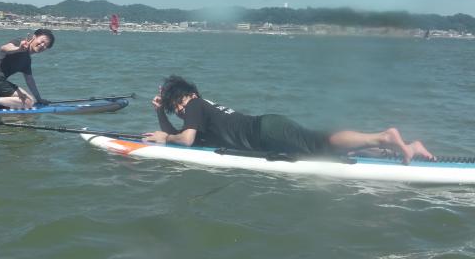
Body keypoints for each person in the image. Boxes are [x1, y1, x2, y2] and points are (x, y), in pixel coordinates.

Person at [143, 75, 435, 165]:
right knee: (321, 144)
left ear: (190, 95)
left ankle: (384, 137)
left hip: (267, 133)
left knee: (320, 143)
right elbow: (183, 136)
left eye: (177, 104)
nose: (178, 110)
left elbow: (185, 140)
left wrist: (166, 137)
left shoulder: (195, 104)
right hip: (269, 127)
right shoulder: (202, 107)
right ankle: (401, 148)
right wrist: (160, 113)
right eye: (173, 108)